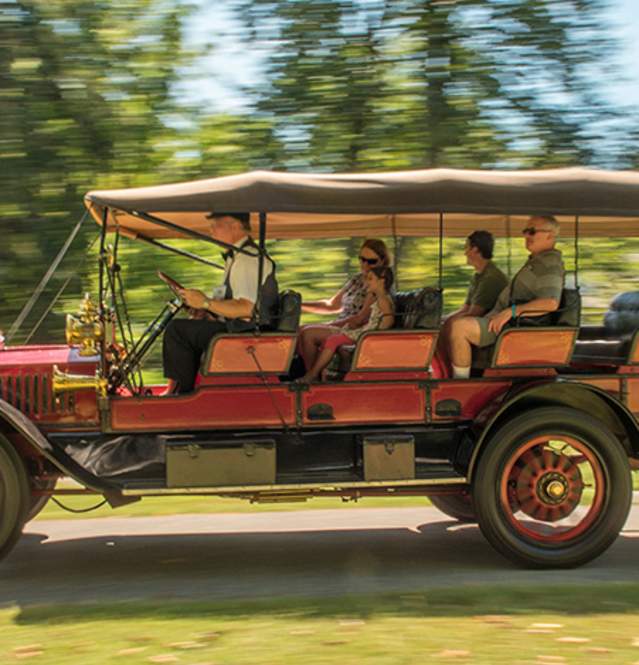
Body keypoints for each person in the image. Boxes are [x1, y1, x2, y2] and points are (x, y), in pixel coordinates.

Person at [162, 212, 278, 394]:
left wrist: (206, 303)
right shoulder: (236, 258)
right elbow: (230, 302)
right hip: (237, 328)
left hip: (246, 334)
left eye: (216, 225)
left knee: (177, 330)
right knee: (191, 326)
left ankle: (181, 394)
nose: (211, 231)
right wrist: (207, 310)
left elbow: (246, 308)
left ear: (234, 226)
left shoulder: (248, 259)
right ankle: (182, 388)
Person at [449, 215, 564, 379]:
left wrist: (511, 311)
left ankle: (460, 384)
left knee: (460, 328)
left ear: (550, 235)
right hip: (507, 322)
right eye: (525, 231)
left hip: (514, 326)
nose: (526, 236)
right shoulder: (537, 262)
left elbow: (550, 303)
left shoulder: (549, 264)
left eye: (532, 232)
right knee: (455, 324)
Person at [298, 238, 391, 372]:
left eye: (371, 262)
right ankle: (301, 374)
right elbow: (332, 305)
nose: (365, 265)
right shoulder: (356, 279)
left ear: (382, 261)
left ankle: (313, 381)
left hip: (355, 330)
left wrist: (327, 325)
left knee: (307, 333)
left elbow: (360, 319)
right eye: (362, 259)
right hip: (342, 325)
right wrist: (299, 305)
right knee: (297, 330)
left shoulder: (379, 285)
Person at [436, 230, 508, 369]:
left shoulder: (491, 278)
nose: (464, 253)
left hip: (493, 325)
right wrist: (442, 319)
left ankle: (459, 377)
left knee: (454, 326)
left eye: (466, 248)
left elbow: (474, 313)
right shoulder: (478, 276)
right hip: (481, 320)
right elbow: (465, 309)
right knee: (442, 324)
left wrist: (447, 324)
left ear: (475, 249)